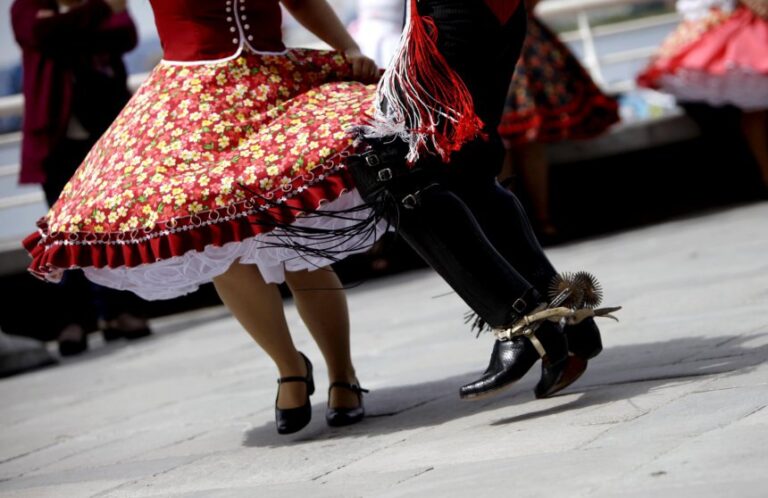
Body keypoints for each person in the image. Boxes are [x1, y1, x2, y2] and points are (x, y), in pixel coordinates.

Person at [21, 0, 383, 434]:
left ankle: (343, 374)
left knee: (297, 243)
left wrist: (347, 48)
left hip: (276, 88)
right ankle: (289, 366)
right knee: (215, 243)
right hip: (192, 106)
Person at [348, 0, 617, 400]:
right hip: (482, 13)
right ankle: (563, 312)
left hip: (458, 14)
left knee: (385, 165)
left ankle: (522, 322)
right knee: (464, 167)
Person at [12, 0, 152, 356]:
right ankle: (71, 323)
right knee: (59, 235)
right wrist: (97, 13)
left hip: (105, 134)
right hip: (56, 141)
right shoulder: (26, 7)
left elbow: (126, 34)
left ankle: (120, 313)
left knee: (113, 229)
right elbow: (39, 34)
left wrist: (65, 25)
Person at [498, 0, 620, 240]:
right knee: (518, 142)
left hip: (493, 46)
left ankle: (515, 228)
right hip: (515, 42)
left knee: (504, 141)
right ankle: (536, 223)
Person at [637, 0, 768, 190]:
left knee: (751, 110)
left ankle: (759, 174)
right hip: (723, 35)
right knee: (752, 110)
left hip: (717, 36)